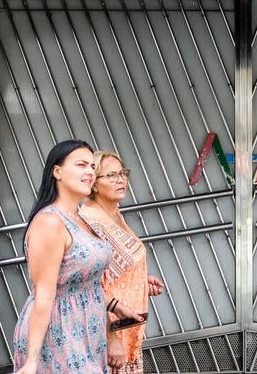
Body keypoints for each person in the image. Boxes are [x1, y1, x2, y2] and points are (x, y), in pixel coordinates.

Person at [12, 140, 142, 374]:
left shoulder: (78, 218)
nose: (90, 172)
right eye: (81, 165)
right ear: (57, 172)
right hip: (60, 331)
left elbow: (84, 281)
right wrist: (31, 360)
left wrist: (114, 307)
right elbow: (44, 294)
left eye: (92, 166)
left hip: (89, 331)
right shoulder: (50, 222)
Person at [79, 151, 165, 374]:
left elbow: (113, 271)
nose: (120, 179)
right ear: (94, 184)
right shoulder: (91, 221)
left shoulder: (114, 213)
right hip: (108, 333)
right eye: (111, 175)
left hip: (128, 328)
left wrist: (141, 281)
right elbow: (90, 286)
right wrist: (111, 337)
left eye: (122, 173)